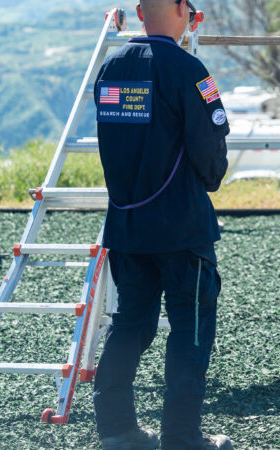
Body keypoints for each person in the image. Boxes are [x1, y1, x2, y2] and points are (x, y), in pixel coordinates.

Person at [91, 0, 231, 449]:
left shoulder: (110, 69)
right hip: (181, 228)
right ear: (178, 8)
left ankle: (116, 431)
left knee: (130, 324)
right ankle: (182, 438)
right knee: (189, 332)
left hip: (127, 226)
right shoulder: (191, 70)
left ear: (138, 11)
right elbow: (211, 145)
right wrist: (210, 179)